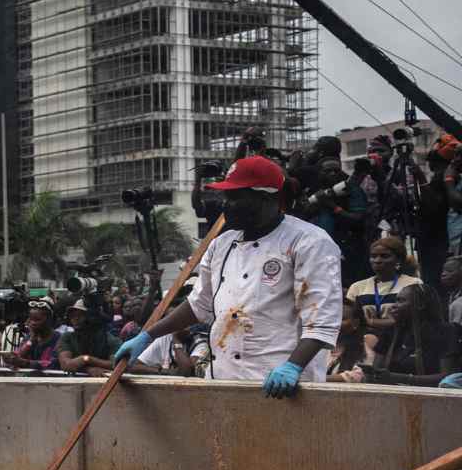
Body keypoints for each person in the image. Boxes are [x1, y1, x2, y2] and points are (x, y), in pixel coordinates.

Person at [114, 155, 340, 398]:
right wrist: (148, 336)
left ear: (266, 198)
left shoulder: (309, 242)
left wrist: (293, 366)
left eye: (235, 197)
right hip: (224, 380)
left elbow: (321, 321)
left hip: (280, 385)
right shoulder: (220, 244)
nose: (225, 204)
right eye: (225, 196)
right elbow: (198, 306)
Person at [348, 235, 415, 363]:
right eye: (373, 256)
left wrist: (369, 322)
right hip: (364, 344)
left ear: (398, 259)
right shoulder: (357, 287)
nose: (377, 260)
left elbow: (409, 320)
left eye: (385, 256)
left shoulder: (412, 284)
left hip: (399, 344)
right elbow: (350, 320)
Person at [58, 298, 118, 374]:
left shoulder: (109, 339)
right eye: (73, 316)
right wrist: (86, 364)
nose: (76, 318)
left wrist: (89, 359)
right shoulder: (67, 337)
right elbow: (66, 365)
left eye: (81, 315)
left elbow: (116, 365)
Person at [4, 297, 63, 371]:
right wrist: (30, 341)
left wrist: (26, 363)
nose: (32, 323)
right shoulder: (29, 338)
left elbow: (54, 364)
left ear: (49, 320)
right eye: (31, 319)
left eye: (37, 319)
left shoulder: (59, 339)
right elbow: (16, 357)